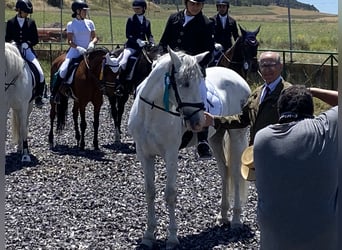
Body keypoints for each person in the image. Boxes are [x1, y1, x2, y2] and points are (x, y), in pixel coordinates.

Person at [253, 86, 338, 250]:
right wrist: (312, 90)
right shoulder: (324, 129)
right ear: (311, 110)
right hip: (325, 239)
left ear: (279, 111)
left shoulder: (262, 138)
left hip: (274, 241)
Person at [159, 0, 215, 159]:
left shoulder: (207, 23)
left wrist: (194, 66)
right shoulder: (173, 18)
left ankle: (202, 139)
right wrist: (161, 58)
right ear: (186, 3)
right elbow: (164, 42)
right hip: (171, 66)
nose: (195, 7)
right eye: (192, 3)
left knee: (203, 95)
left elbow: (209, 51)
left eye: (199, 4)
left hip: (193, 69)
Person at [204, 51, 292, 146]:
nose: (267, 70)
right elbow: (242, 119)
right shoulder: (257, 93)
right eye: (263, 66)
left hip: (279, 149)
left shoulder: (288, 93)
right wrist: (214, 120)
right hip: (257, 150)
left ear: (280, 66)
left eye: (271, 65)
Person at [50, 0, 98, 103]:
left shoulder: (90, 23)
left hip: (89, 50)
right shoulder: (71, 24)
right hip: (75, 51)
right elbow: (70, 41)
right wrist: (78, 48)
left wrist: (92, 43)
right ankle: (55, 94)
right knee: (63, 70)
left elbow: (94, 37)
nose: (86, 12)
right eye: (84, 10)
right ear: (77, 11)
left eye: (86, 10)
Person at [5, 0, 46, 108]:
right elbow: (6, 38)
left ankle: (38, 96)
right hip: (13, 50)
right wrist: (11, 42)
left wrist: (28, 43)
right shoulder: (10, 22)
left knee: (40, 73)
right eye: (25, 12)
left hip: (27, 50)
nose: (27, 14)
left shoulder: (31, 22)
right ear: (19, 10)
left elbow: (35, 39)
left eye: (28, 12)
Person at [111, 0, 155, 96]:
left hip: (143, 48)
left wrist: (152, 43)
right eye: (135, 9)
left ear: (144, 8)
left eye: (138, 9)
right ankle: (120, 85)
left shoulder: (147, 22)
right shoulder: (131, 20)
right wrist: (137, 41)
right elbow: (128, 35)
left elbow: (149, 34)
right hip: (131, 46)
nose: (136, 11)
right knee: (123, 62)